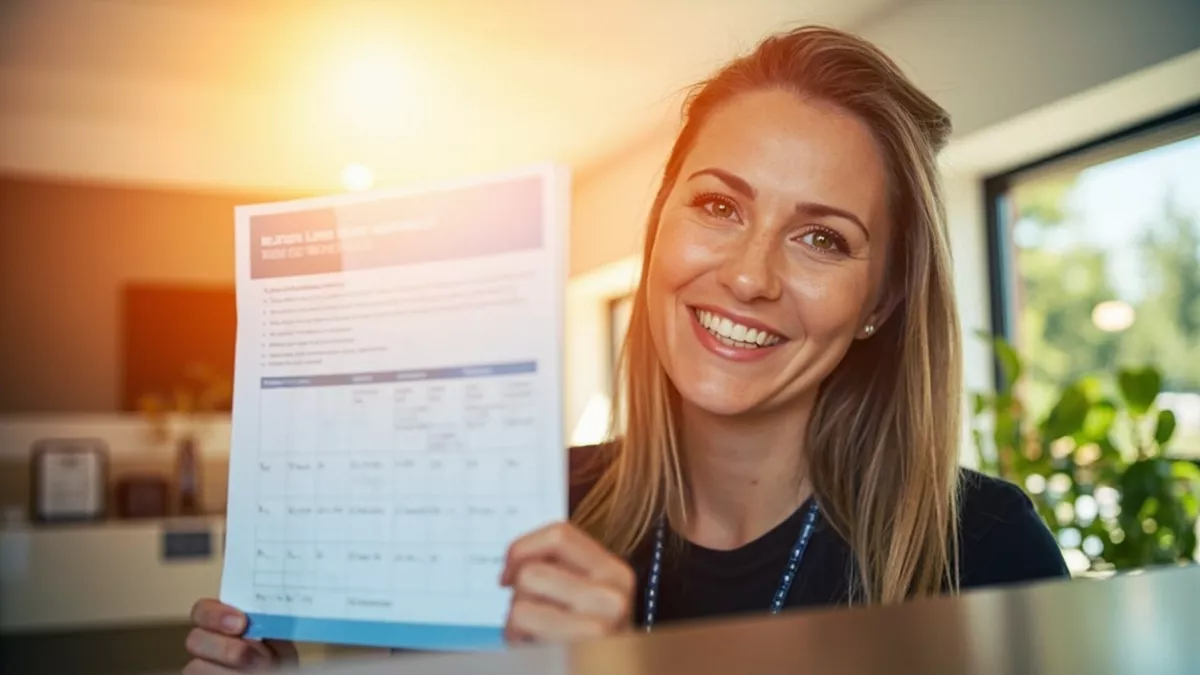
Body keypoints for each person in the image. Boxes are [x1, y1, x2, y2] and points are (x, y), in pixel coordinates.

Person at [183, 24, 1069, 672]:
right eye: (719, 207)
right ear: (658, 234)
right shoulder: (522, 516)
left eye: (823, 239)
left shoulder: (983, 552)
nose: (751, 277)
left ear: (882, 301)